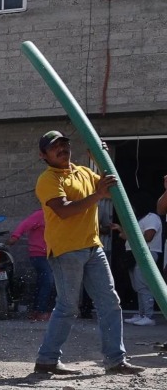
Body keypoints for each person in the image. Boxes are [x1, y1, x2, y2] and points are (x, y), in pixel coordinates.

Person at [31, 131, 143, 375]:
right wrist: (97, 195)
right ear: (44, 155)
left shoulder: (82, 172)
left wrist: (101, 156)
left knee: (110, 303)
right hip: (66, 250)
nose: (62, 149)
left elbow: (109, 185)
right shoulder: (48, 179)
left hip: (93, 247)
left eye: (64, 145)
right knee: (68, 306)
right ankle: (47, 360)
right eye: (55, 147)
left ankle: (116, 360)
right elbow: (63, 210)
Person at [112, 206, 163, 326]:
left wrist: (129, 236)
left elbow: (148, 237)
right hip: (135, 254)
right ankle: (142, 314)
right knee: (138, 286)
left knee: (144, 285)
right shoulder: (140, 219)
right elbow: (129, 237)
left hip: (146, 253)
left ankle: (148, 316)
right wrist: (120, 230)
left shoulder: (152, 217)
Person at [7, 209, 53, 320]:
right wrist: (15, 237)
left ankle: (36, 311)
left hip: (50, 256)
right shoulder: (42, 214)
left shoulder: (56, 216)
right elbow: (25, 224)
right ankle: (40, 311)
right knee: (48, 282)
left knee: (42, 282)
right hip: (39, 254)